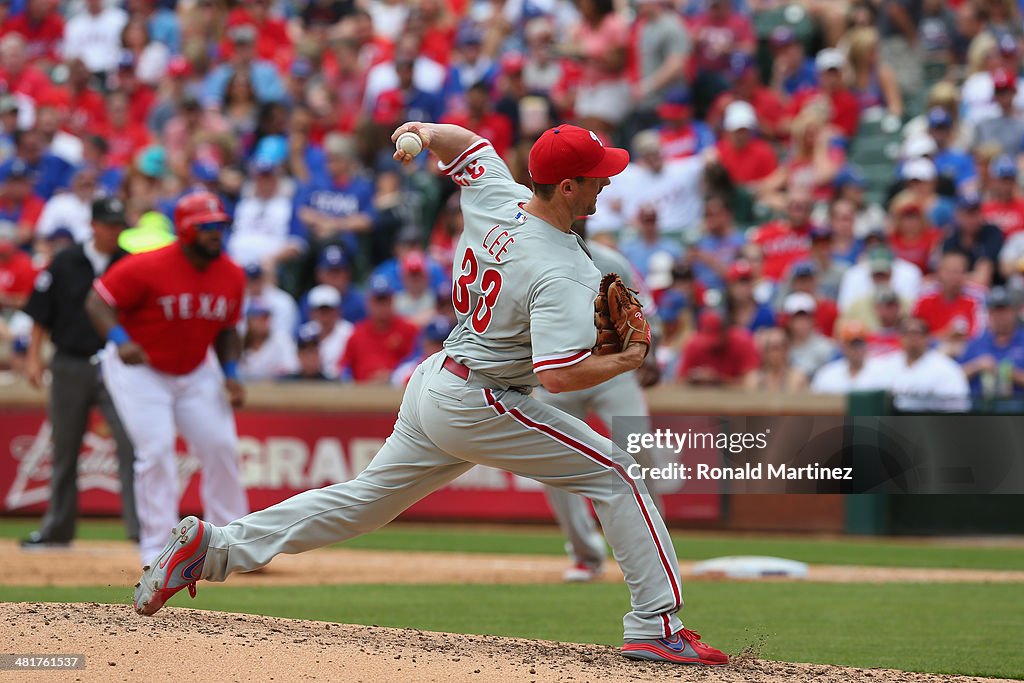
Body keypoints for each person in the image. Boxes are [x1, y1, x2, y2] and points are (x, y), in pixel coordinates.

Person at [131, 122, 729, 667]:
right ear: (567, 187)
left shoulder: (501, 197)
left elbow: (464, 145)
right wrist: (627, 358)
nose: (605, 185)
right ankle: (655, 624)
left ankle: (214, 550)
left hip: (440, 380)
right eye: (597, 177)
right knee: (618, 473)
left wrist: (420, 130)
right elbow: (557, 376)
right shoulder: (562, 270)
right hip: (483, 398)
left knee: (362, 501)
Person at [85, 191, 250, 564]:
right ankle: (157, 547)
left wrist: (232, 373)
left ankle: (234, 543)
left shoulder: (232, 273)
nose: (215, 234)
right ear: (185, 231)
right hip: (139, 366)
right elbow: (97, 302)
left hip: (195, 367)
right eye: (206, 227)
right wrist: (120, 340)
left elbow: (227, 329)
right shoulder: (146, 266)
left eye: (219, 226)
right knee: (155, 451)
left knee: (221, 446)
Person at [533, 225, 662, 583]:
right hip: (560, 373)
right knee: (552, 460)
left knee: (637, 445)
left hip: (612, 369)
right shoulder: (533, 256)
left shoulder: (610, 260)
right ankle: (585, 555)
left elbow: (647, 311)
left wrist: (653, 353)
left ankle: (655, 548)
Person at [20, 198, 139, 548]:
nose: (115, 231)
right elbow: (42, 314)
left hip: (117, 365)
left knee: (133, 447)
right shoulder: (66, 260)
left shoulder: (129, 263)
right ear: (94, 225)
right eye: (109, 224)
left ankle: (142, 531)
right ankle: (57, 530)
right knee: (65, 449)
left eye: (119, 225)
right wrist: (33, 357)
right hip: (70, 361)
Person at [959, 287, 1024, 398]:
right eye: (994, 312)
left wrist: (1008, 372)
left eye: (1004, 311)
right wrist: (977, 366)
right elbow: (953, 378)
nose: (1000, 316)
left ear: (1014, 312)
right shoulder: (976, 343)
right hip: (980, 411)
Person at [810, 320, 887, 394]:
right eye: (852, 344)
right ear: (843, 347)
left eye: (860, 343)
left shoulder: (881, 371)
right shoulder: (827, 374)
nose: (857, 349)